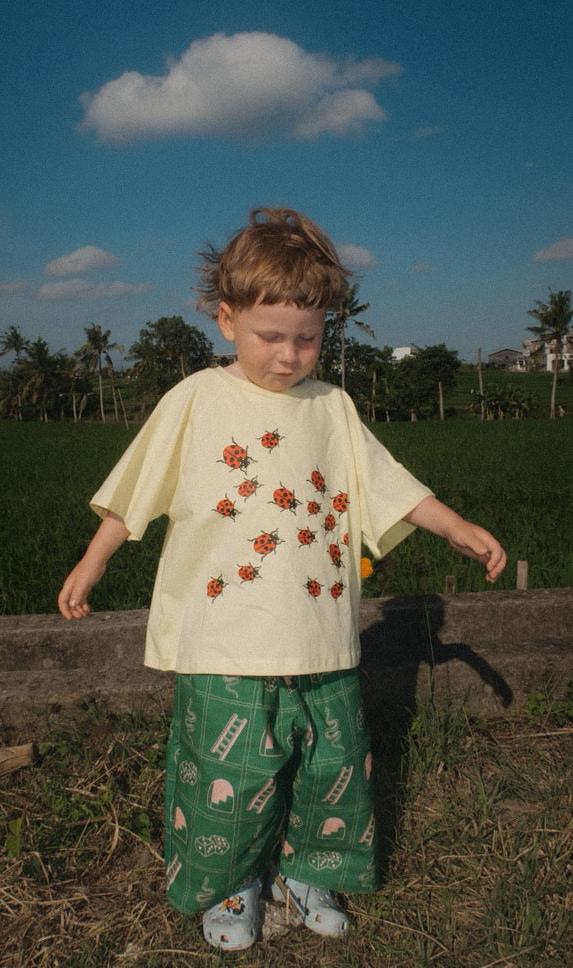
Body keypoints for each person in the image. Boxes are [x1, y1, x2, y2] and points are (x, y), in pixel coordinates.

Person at [58, 208, 506, 951]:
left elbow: (387, 483)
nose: (291, 355)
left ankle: (308, 870)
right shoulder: (197, 398)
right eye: (272, 336)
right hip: (223, 638)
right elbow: (138, 488)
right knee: (226, 771)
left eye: (309, 336)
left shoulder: (333, 407)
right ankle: (229, 881)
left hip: (320, 635)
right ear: (226, 318)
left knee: (332, 764)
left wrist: (454, 524)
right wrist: (95, 557)